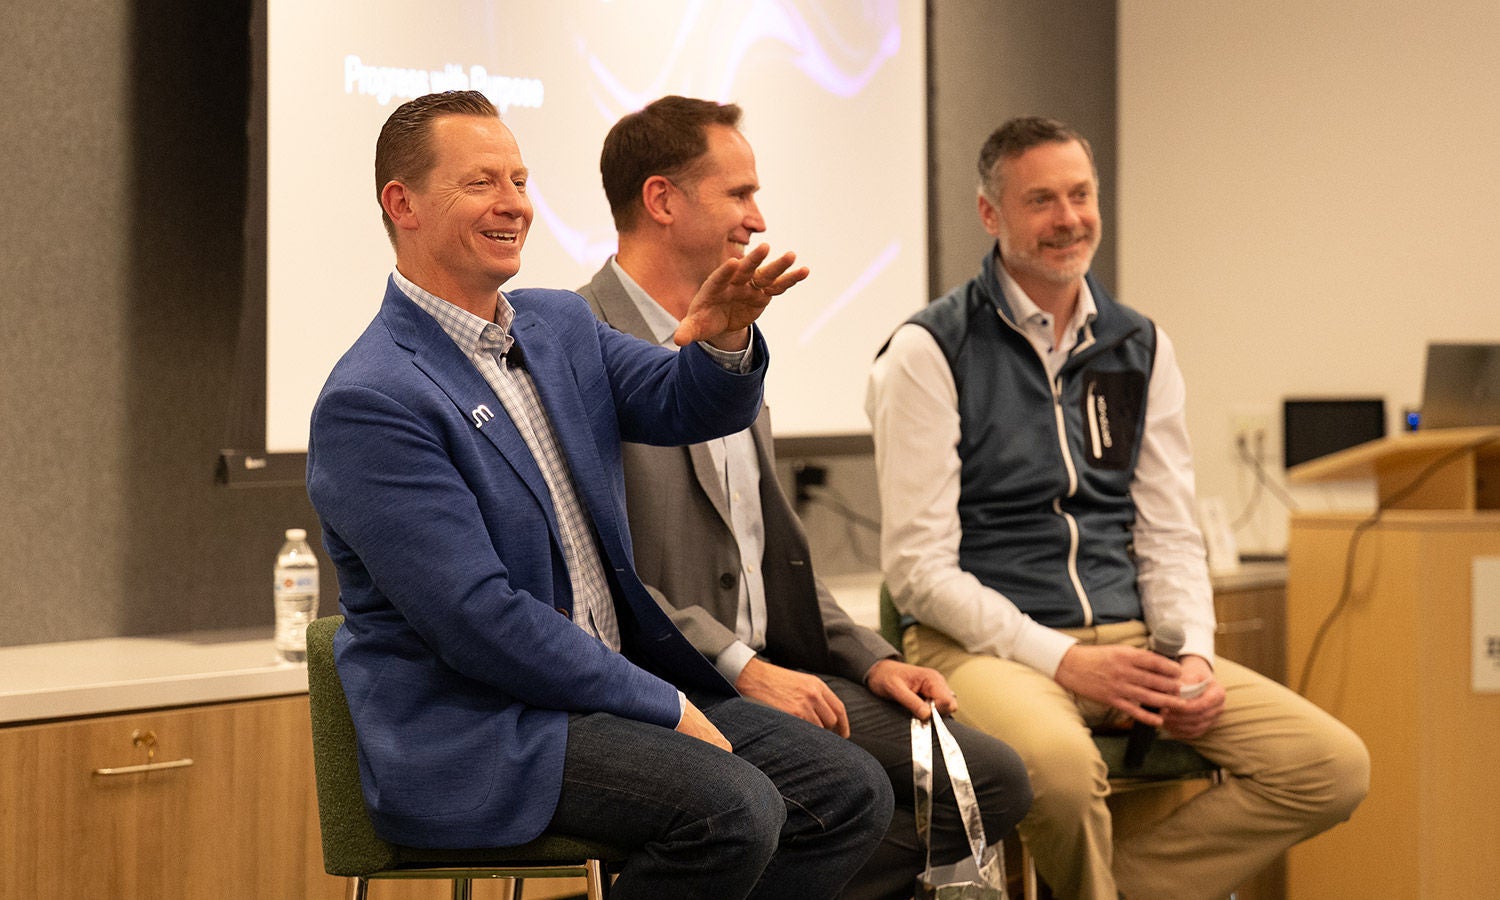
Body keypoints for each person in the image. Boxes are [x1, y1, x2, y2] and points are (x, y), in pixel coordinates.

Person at [306, 90, 894, 900]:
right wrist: (662, 703)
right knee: (733, 808)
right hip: (490, 727)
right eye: (481, 182)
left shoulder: (556, 327)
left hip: (603, 694)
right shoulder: (372, 397)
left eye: (519, 178)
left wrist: (723, 337)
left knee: (847, 791)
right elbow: (482, 622)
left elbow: (687, 402)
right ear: (401, 204)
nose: (514, 202)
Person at [865, 116, 1370, 900]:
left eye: (1081, 194)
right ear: (990, 214)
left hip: (1130, 639)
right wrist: (1065, 660)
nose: (1069, 218)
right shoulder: (928, 353)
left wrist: (1193, 654)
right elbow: (920, 573)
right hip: (984, 650)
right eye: (1042, 200)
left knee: (1330, 765)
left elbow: (1168, 532)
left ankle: (1113, 890)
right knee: (1062, 776)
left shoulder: (1141, 346)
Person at [578, 94, 1032, 900]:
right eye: (740, 193)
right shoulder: (576, 343)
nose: (759, 218)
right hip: (673, 682)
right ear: (662, 199)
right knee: (846, 791)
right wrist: (744, 667)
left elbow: (770, 551)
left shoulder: (734, 334)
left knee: (988, 779)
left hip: (781, 669)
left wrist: (874, 658)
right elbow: (604, 578)